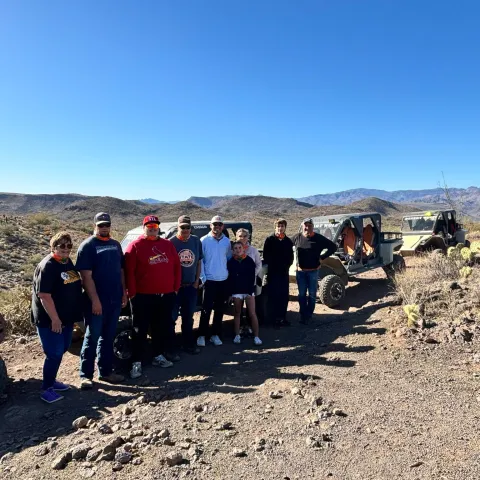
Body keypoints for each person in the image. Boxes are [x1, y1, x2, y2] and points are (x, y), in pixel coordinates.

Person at [125, 215, 181, 379]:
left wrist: (175, 288)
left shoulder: (167, 245)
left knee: (160, 328)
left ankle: (158, 356)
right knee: (139, 330)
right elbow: (129, 273)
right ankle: (136, 362)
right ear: (144, 227)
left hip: (165, 295)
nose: (152, 228)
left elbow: (177, 266)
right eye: (149, 225)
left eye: (155, 226)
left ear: (158, 228)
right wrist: (133, 293)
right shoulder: (134, 246)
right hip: (142, 297)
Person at [76, 213, 127, 389]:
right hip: (96, 301)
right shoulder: (88, 246)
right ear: (95, 225)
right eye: (101, 225)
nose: (104, 228)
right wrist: (95, 300)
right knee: (92, 336)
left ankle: (105, 372)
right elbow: (85, 276)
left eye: (107, 225)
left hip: (114, 299)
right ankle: (85, 375)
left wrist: (124, 292)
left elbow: (121, 270)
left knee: (108, 337)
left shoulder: (115, 245)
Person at [31, 232, 83, 403]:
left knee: (63, 348)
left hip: (66, 318)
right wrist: (55, 319)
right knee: (53, 353)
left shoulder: (67, 262)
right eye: (62, 246)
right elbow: (44, 296)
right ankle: (46, 389)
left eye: (69, 246)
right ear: (53, 247)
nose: (66, 249)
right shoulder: (48, 266)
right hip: (50, 320)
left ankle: (52, 380)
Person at [291, 218, 337, 325]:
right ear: (302, 226)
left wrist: (323, 257)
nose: (307, 228)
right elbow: (286, 246)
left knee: (312, 294)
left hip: (313, 272)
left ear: (313, 226)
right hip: (301, 272)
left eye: (310, 225)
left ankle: (309, 315)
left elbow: (333, 247)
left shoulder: (318, 238)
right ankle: (303, 315)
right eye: (305, 225)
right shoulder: (296, 237)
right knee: (301, 294)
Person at [170, 215, 203, 355]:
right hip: (175, 288)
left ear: (191, 228)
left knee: (188, 317)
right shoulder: (171, 242)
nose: (185, 230)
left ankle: (188, 344)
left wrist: (197, 281)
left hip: (190, 286)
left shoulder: (196, 241)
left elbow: (199, 262)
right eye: (182, 227)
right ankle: (171, 347)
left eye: (187, 227)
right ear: (178, 227)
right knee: (171, 318)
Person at [197, 215, 232, 347]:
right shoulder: (204, 240)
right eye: (214, 224)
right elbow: (201, 261)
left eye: (219, 224)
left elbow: (227, 259)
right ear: (210, 226)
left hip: (223, 280)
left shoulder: (227, 242)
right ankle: (201, 335)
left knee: (219, 309)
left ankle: (215, 335)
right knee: (206, 309)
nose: (217, 227)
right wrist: (203, 278)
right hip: (209, 281)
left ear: (222, 226)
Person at [227, 242, 262, 346]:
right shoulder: (231, 262)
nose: (238, 250)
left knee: (252, 313)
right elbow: (230, 279)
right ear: (233, 250)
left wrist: (250, 291)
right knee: (237, 313)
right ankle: (237, 335)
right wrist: (230, 293)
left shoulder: (249, 261)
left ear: (243, 249)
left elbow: (252, 277)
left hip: (248, 291)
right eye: (235, 248)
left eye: (239, 248)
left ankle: (256, 336)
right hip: (236, 291)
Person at [262, 218, 294, 328]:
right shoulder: (270, 240)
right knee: (273, 296)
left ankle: (282, 318)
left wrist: (285, 267)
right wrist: (274, 267)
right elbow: (266, 256)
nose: (280, 228)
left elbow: (291, 257)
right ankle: (273, 320)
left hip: (284, 273)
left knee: (284, 296)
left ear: (285, 228)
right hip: (273, 273)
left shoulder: (288, 241)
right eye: (278, 226)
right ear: (275, 227)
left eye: (282, 226)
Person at [235, 228, 261, 336]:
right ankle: (240, 328)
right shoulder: (233, 249)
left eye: (245, 236)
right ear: (236, 237)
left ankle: (252, 329)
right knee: (238, 309)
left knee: (251, 310)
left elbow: (258, 265)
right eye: (240, 236)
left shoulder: (253, 250)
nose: (242, 238)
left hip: (250, 283)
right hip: (237, 284)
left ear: (248, 237)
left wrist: (251, 275)